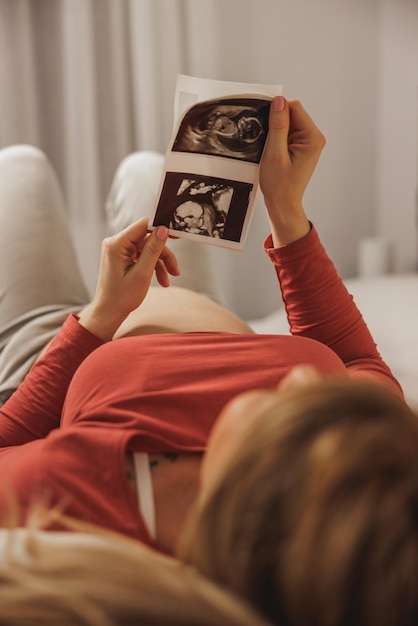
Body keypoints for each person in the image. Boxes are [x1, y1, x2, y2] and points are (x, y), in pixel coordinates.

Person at [0, 96, 409, 595]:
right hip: (170, 287)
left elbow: (8, 438)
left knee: (19, 168)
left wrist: (101, 315)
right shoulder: (376, 458)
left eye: (300, 426)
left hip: (54, 354)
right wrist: (286, 208)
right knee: (148, 170)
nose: (304, 380)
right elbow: (358, 361)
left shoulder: (57, 497)